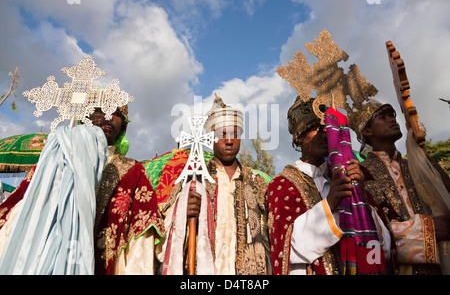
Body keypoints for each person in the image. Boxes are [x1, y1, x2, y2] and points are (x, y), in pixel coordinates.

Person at [0, 106, 164, 274]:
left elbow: (144, 227)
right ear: (86, 117)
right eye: (100, 110)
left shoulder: (133, 171)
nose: (108, 116)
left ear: (123, 126)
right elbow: (15, 209)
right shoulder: (53, 162)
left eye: (116, 113)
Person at [267, 96, 393, 275]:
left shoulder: (349, 174)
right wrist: (332, 201)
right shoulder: (282, 184)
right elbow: (288, 250)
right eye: (315, 128)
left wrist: (360, 197)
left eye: (327, 127)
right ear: (299, 137)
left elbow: (384, 247)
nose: (325, 133)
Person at [157, 95, 271, 275]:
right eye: (222, 135)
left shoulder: (257, 182)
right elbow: (163, 224)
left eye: (235, 134)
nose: (229, 140)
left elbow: (270, 232)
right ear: (210, 139)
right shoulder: (195, 178)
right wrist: (182, 211)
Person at [350, 99, 450, 275]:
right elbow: (364, 231)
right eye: (383, 116)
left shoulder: (416, 167)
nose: (392, 119)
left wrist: (431, 166)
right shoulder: (361, 174)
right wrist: (428, 229)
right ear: (367, 130)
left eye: (393, 115)